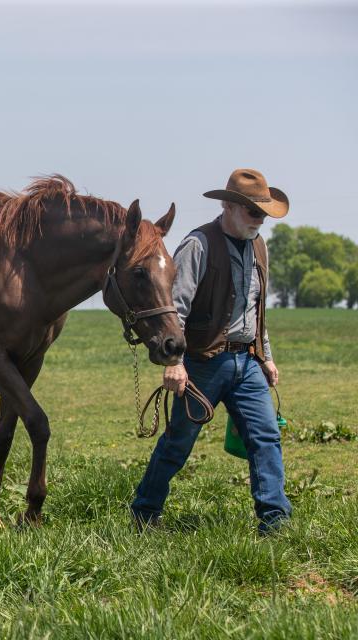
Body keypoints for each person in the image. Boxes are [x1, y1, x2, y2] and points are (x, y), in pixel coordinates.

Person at [131, 168, 291, 534]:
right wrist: (175, 363)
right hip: (202, 363)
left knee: (266, 437)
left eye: (263, 214)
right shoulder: (198, 244)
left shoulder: (259, 246)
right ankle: (144, 513)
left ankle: (275, 522)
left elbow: (257, 307)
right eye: (254, 212)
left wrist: (265, 355)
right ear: (229, 206)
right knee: (177, 444)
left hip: (247, 362)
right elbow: (177, 309)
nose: (259, 221)